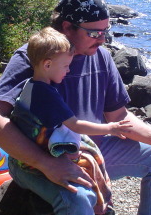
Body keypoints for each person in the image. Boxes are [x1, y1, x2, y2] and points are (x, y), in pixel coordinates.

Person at [0, 0, 151, 215]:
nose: (103, 39)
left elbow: (119, 116)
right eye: (94, 33)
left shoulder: (101, 57)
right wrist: (46, 164)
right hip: (39, 158)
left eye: (106, 31)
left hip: (92, 150)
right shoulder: (33, 57)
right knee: (78, 199)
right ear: (67, 27)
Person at [10, 26, 131, 214]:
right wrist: (111, 128)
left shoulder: (29, 86)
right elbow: (76, 125)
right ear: (47, 65)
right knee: (91, 161)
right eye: (66, 66)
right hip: (36, 159)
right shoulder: (47, 94)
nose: (68, 71)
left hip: (28, 151)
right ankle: (102, 207)